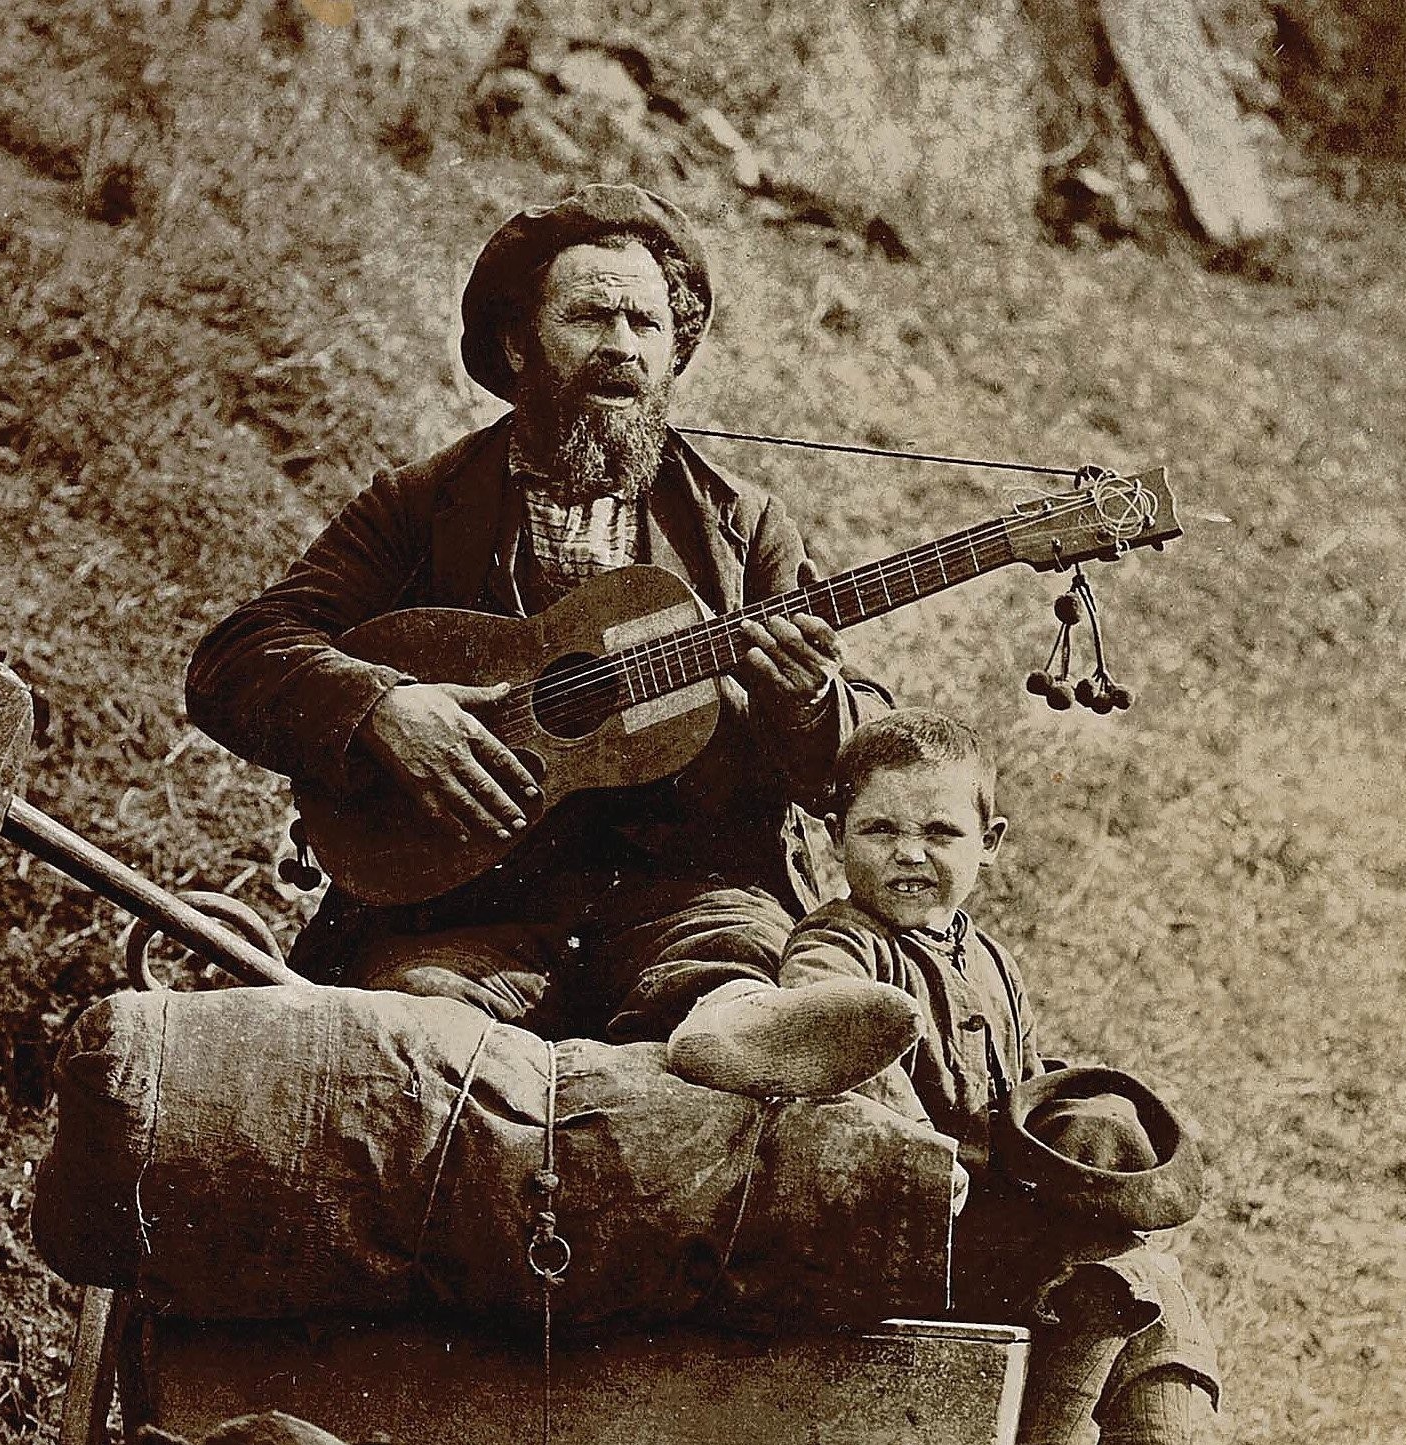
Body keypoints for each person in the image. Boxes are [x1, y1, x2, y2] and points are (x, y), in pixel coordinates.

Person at [186, 183, 902, 1043]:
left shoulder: (741, 528)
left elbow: (857, 758)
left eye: (646, 325)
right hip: (462, 908)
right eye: (590, 318)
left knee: (730, 1012)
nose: (621, 349)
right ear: (516, 343)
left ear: (674, 355)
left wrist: (808, 701)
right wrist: (381, 708)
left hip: (687, 903)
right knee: (408, 1036)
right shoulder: (422, 506)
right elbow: (237, 656)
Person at [669, 708, 1252, 1445]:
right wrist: (897, 1109)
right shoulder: (841, 942)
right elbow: (831, 1031)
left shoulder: (993, 962)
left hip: (995, 1235)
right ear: (835, 839)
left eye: (942, 831)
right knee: (1107, 1263)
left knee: (1142, 1273)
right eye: (880, 829)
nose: (911, 854)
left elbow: (1023, 1096)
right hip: (908, 1232)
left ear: (991, 842)